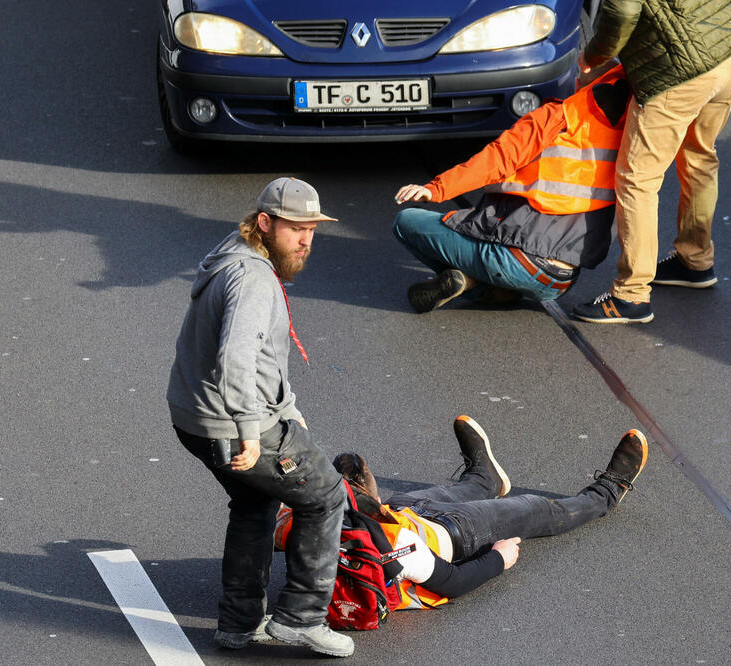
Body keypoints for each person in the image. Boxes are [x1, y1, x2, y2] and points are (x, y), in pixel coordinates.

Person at [166, 177, 356, 658]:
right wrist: (252, 431)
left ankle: (238, 624)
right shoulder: (253, 278)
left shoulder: (233, 252)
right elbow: (237, 358)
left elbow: (260, 357)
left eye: (312, 229)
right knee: (326, 495)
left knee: (254, 505)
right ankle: (300, 618)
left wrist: (288, 409)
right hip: (231, 422)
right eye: (296, 229)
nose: (306, 240)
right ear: (266, 223)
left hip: (194, 418)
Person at [290, 415, 648, 609]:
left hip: (407, 515)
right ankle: (607, 492)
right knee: (536, 510)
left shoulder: (298, 527)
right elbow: (452, 582)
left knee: (437, 496)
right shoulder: (401, 548)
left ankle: (484, 479)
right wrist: (499, 559)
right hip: (455, 533)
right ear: (366, 502)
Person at [392, 63, 632, 313]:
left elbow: (497, 158)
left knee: (407, 222)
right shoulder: (633, 130)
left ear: (584, 74)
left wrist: (435, 189)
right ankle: (493, 289)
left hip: (518, 261)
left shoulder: (558, 116)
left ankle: (477, 286)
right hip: (559, 280)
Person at [570, 0, 731, 324]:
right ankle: (694, 259)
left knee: (638, 179)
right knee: (699, 158)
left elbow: (622, 11)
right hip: (726, 58)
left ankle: (631, 295)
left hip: (677, 73)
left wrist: (591, 58)